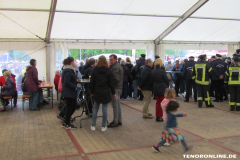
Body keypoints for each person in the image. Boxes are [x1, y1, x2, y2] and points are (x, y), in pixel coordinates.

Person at [90, 56, 116, 131]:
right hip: (105, 92)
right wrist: (113, 92)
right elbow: (111, 83)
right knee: (104, 110)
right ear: (105, 61)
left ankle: (93, 125)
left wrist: (92, 92)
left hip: (97, 91)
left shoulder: (95, 70)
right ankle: (103, 126)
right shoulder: (108, 70)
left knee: (95, 109)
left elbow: (92, 82)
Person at [61, 57, 81, 129]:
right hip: (69, 92)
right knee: (70, 108)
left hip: (70, 92)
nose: (74, 63)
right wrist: (74, 87)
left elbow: (70, 80)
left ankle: (67, 121)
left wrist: (76, 81)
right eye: (74, 62)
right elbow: (66, 82)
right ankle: (66, 123)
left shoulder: (69, 70)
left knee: (73, 106)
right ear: (72, 62)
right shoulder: (67, 70)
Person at [108, 54, 123, 128]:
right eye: (110, 59)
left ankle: (115, 121)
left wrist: (111, 86)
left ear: (115, 59)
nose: (110, 61)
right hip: (119, 87)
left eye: (111, 59)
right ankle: (119, 120)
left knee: (115, 105)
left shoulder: (115, 67)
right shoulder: (117, 66)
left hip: (115, 88)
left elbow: (116, 79)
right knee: (117, 104)